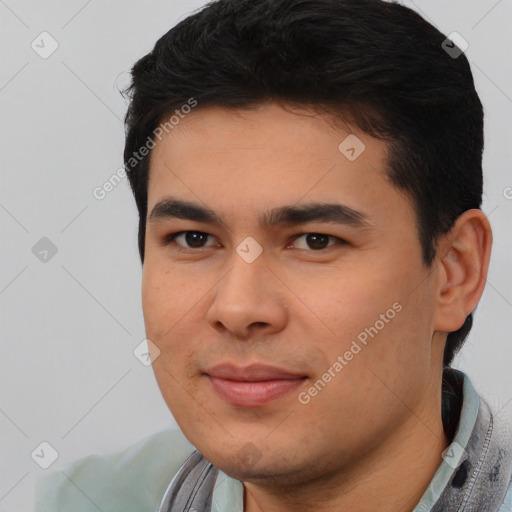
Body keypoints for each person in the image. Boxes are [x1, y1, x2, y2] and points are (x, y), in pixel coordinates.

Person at [34, 0, 512, 510]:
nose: (238, 310)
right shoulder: (85, 498)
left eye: (315, 241)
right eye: (194, 239)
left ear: (454, 272)